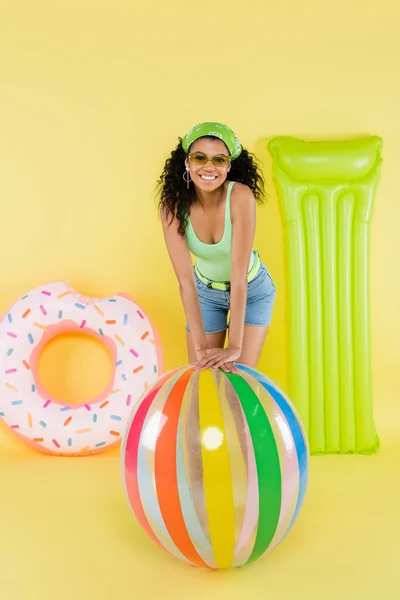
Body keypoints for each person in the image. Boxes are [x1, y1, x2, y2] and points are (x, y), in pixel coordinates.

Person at [157, 121, 276, 373]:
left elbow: (239, 275)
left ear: (228, 166)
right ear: (187, 163)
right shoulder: (172, 208)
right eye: (200, 157)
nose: (209, 167)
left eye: (219, 160)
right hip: (205, 293)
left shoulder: (240, 197)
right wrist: (200, 348)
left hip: (252, 290)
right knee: (200, 377)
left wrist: (234, 346)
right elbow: (186, 282)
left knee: (240, 382)